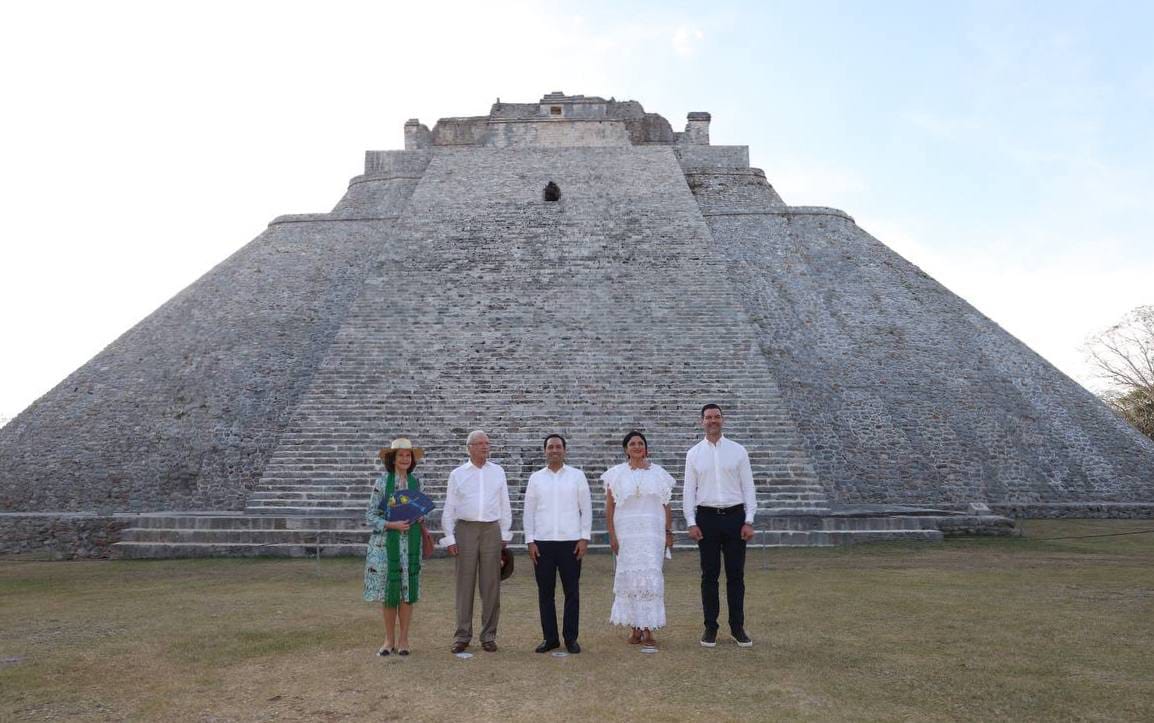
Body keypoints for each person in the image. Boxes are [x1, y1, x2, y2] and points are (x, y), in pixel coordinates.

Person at [683, 403, 757, 648]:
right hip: (707, 519)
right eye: (708, 417)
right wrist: (691, 522)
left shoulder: (738, 451)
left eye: (716, 417)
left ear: (722, 420)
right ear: (701, 421)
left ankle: (737, 627)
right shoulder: (693, 454)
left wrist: (749, 520)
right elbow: (688, 491)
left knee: (736, 576)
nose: (712, 421)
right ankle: (710, 628)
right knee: (709, 576)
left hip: (735, 518)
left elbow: (748, 487)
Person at [441, 430, 512, 654]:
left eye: (487, 443)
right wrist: (450, 536)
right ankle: (462, 635)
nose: (484, 447)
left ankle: (489, 635)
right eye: (479, 443)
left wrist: (504, 534)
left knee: (491, 585)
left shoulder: (498, 471)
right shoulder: (457, 474)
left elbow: (505, 504)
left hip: (492, 529)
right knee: (464, 585)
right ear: (469, 447)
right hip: (465, 529)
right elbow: (449, 507)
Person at [602, 430, 675, 648]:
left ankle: (649, 629)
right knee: (631, 580)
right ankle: (634, 628)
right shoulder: (615, 474)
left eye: (640, 443)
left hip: (652, 535)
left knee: (651, 578)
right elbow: (609, 507)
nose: (636, 447)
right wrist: (612, 536)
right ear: (626, 449)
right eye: (632, 443)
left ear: (646, 447)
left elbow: (666, 504)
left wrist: (668, 532)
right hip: (627, 536)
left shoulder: (659, 473)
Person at [524, 433, 592, 654]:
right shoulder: (536, 478)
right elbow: (529, 511)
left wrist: (584, 537)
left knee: (571, 592)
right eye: (550, 447)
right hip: (542, 543)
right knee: (546, 593)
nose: (554, 450)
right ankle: (550, 638)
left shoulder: (577, 476)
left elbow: (586, 508)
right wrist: (530, 540)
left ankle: (571, 638)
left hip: (570, 542)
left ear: (564, 450)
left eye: (558, 446)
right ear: (545, 451)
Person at [363, 437, 427, 656]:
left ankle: (404, 640)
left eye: (408, 455)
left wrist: (418, 518)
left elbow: (420, 510)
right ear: (392, 459)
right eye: (400, 455)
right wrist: (391, 524)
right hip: (385, 546)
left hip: (409, 544)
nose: (405, 459)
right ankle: (388, 639)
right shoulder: (382, 483)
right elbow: (370, 515)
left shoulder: (416, 483)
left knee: (406, 593)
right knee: (389, 593)